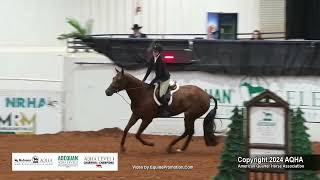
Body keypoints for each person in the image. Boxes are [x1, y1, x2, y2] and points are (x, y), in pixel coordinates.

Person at [142, 43, 171, 116]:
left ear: (159, 52)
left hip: (164, 79)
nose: (154, 53)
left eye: (156, 52)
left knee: (161, 95)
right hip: (159, 78)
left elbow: (158, 75)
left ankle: (166, 110)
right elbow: (149, 70)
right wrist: (144, 79)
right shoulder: (152, 58)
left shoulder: (161, 61)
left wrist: (151, 83)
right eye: (153, 51)